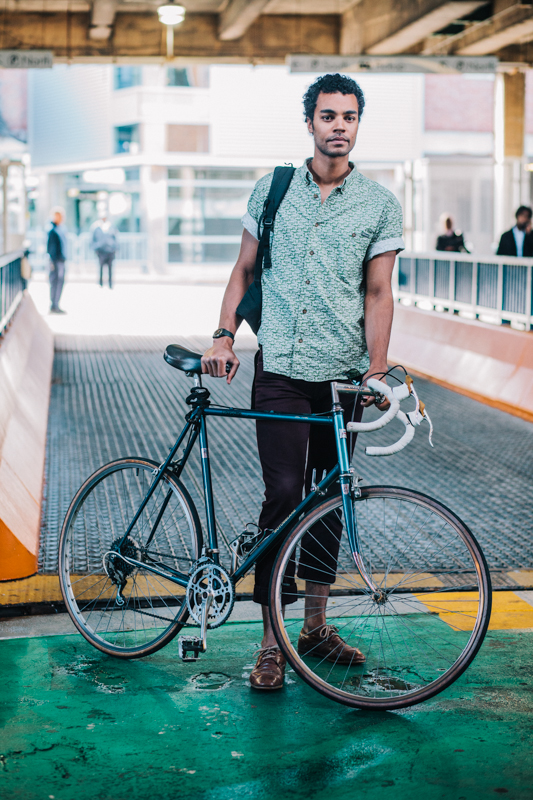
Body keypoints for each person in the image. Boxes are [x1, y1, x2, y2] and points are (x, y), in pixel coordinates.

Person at [201, 73, 404, 691]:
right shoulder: (274, 188)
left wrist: (375, 368)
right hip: (282, 371)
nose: (338, 125)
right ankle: (270, 642)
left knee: (328, 501)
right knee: (285, 496)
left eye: (348, 117)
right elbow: (243, 269)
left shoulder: (380, 205)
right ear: (310, 122)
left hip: (342, 377)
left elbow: (378, 293)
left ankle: (313, 629)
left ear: (357, 125)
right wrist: (222, 333)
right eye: (327, 115)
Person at [46, 206, 68, 314]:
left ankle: (56, 304)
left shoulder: (60, 229)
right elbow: (50, 248)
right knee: (55, 282)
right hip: (56, 261)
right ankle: (54, 305)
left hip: (60, 260)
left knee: (59, 282)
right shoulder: (52, 230)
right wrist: (53, 261)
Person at [91, 214, 118, 288]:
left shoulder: (111, 226)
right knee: (100, 268)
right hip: (101, 251)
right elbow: (93, 239)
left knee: (110, 269)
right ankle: (100, 283)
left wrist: (115, 248)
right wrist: (95, 248)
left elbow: (115, 238)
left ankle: (110, 284)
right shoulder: (96, 227)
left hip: (110, 251)